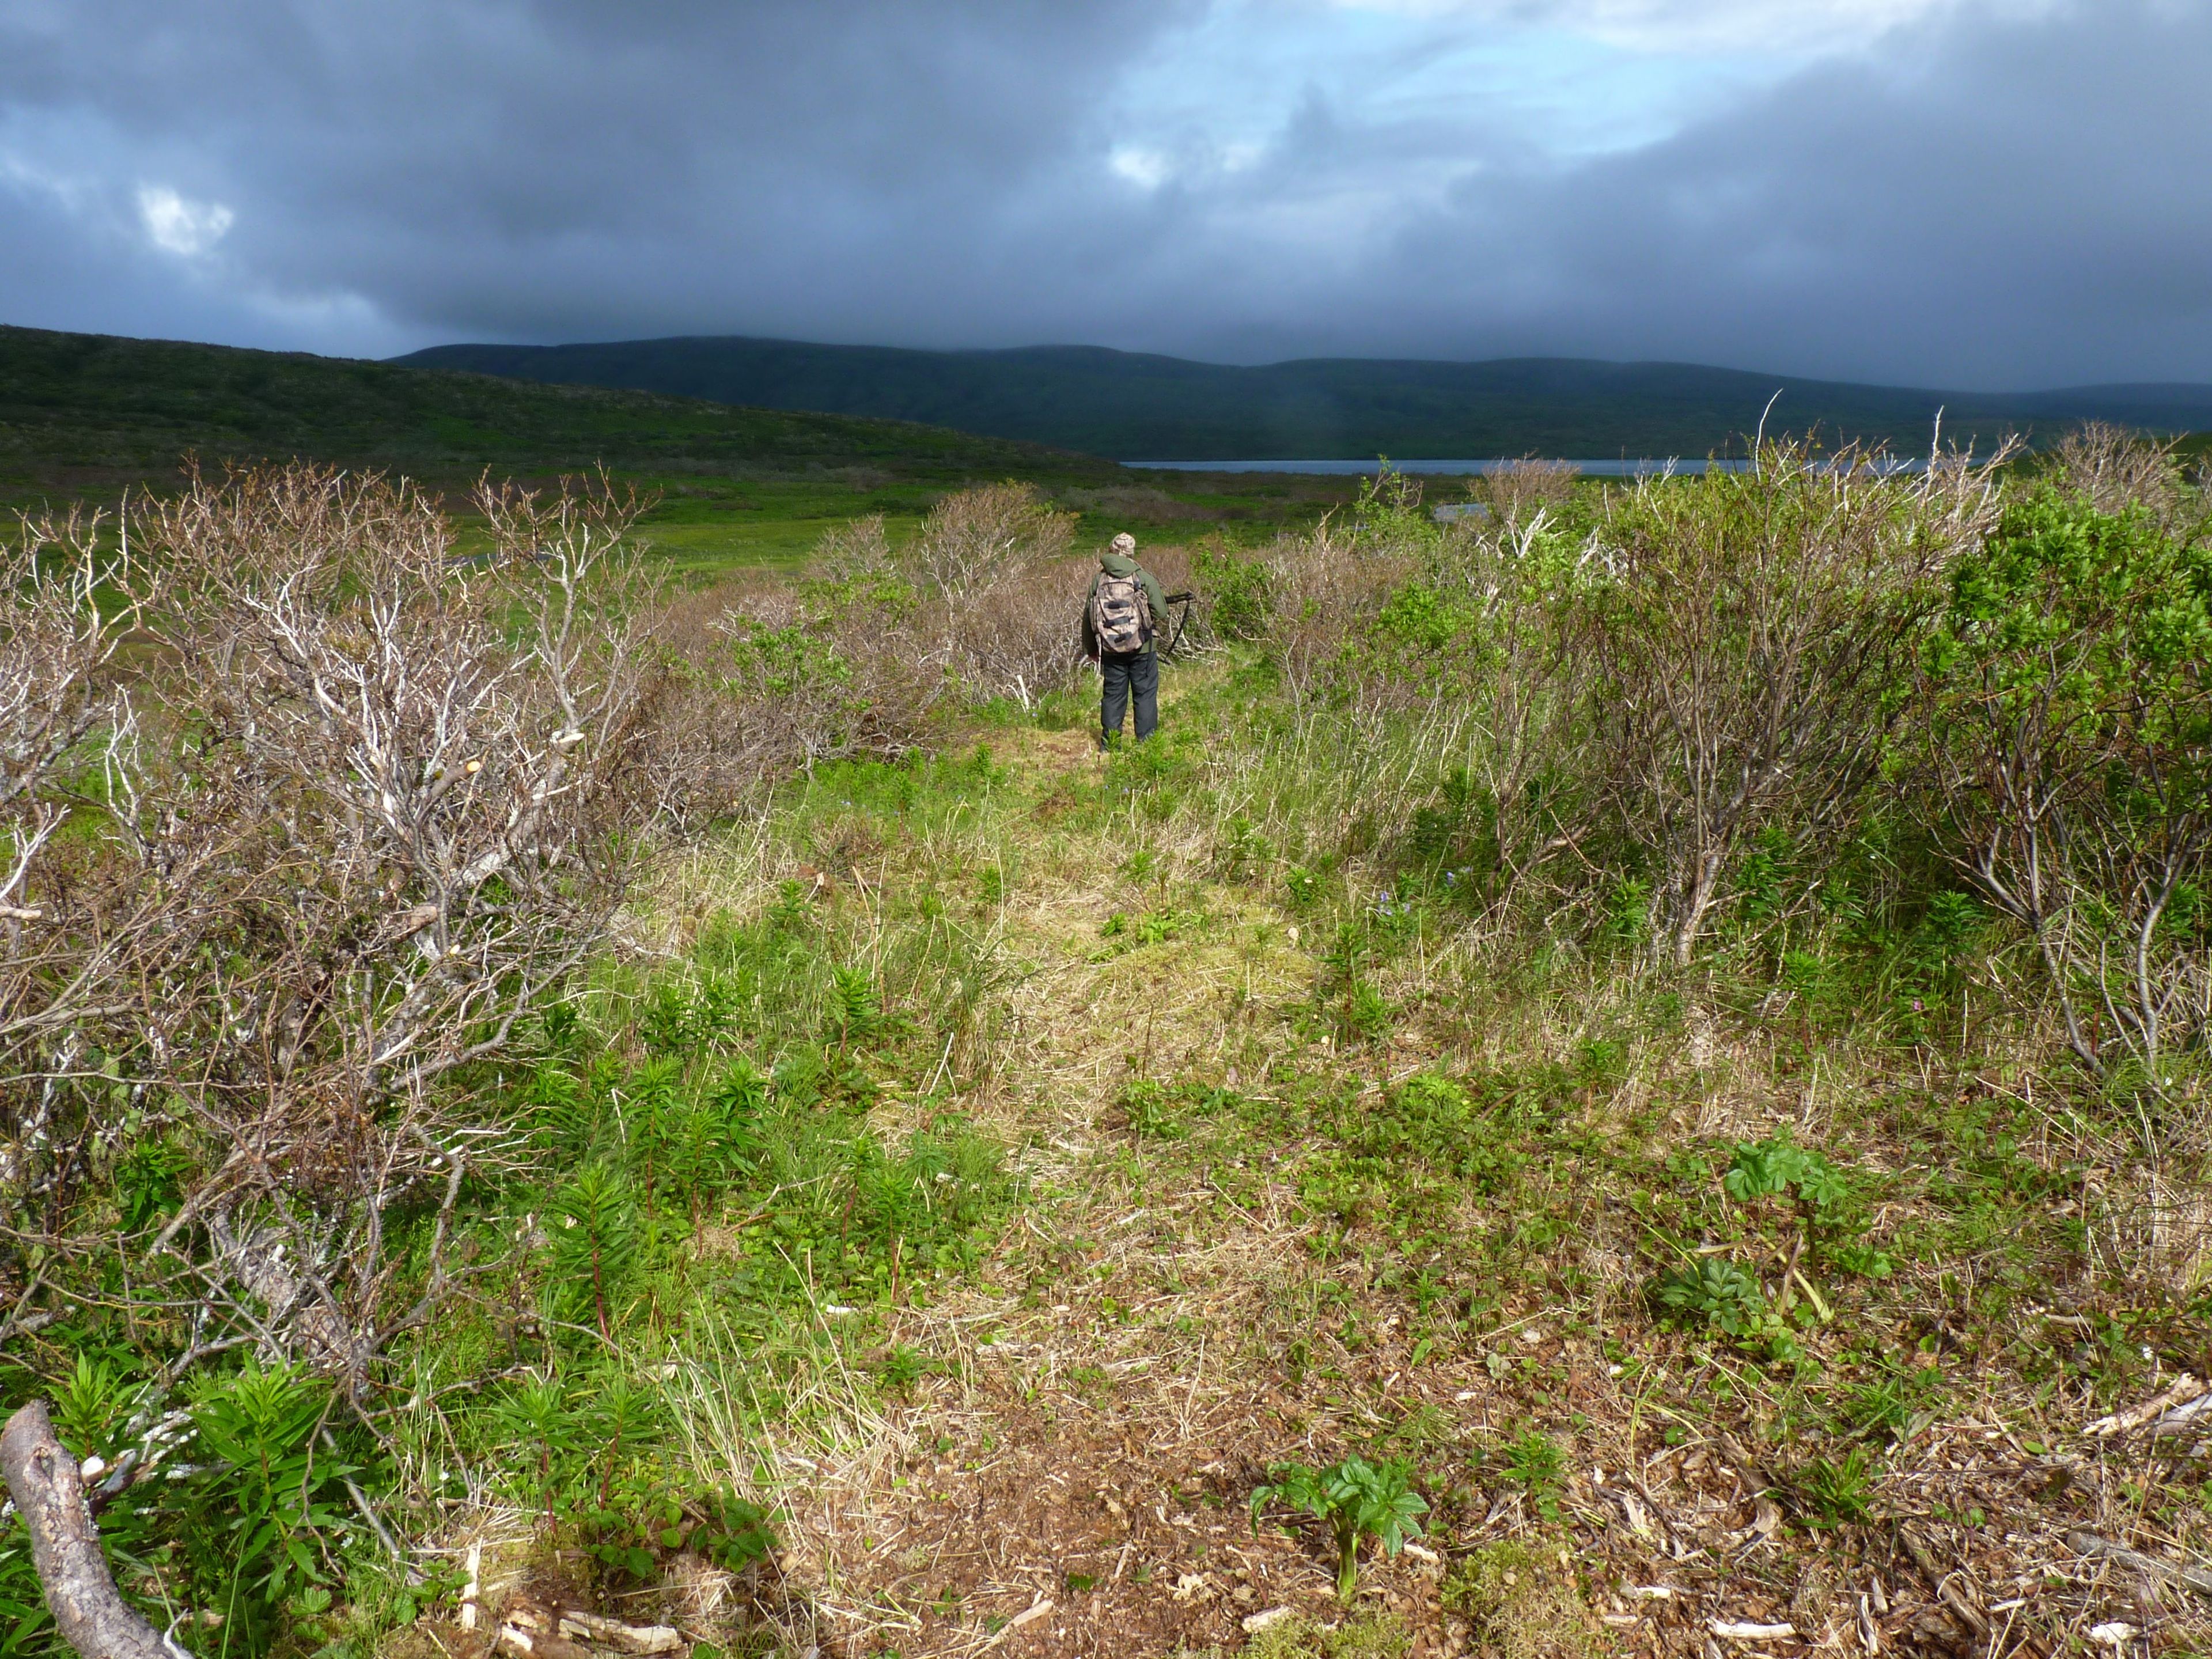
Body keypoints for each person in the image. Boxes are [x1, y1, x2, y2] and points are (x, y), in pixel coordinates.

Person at [1080, 531, 1171, 746]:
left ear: (1112, 550)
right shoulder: (1142, 577)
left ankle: (1110, 745)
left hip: (1110, 649)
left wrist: (1092, 649)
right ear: (1131, 552)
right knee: (1145, 695)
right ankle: (1147, 745)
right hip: (1143, 648)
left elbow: (1088, 618)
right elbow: (1161, 612)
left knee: (1113, 696)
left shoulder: (1099, 580)